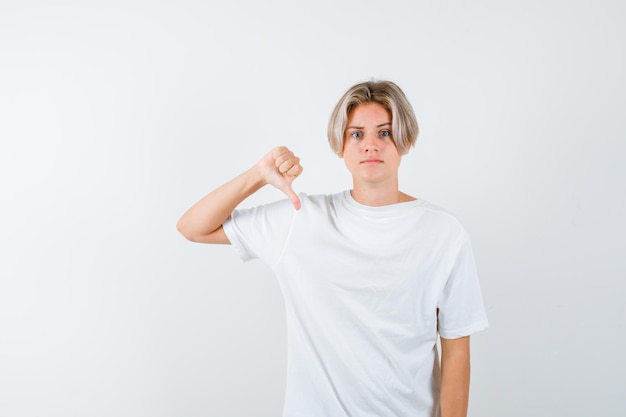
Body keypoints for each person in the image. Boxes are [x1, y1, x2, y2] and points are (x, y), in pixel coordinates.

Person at [177, 80, 488, 417]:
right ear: (340, 145)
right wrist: (258, 175)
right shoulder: (301, 219)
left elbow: (457, 349)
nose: (370, 145)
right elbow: (193, 227)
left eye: (384, 133)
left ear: (406, 140)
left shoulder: (443, 233)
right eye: (357, 134)